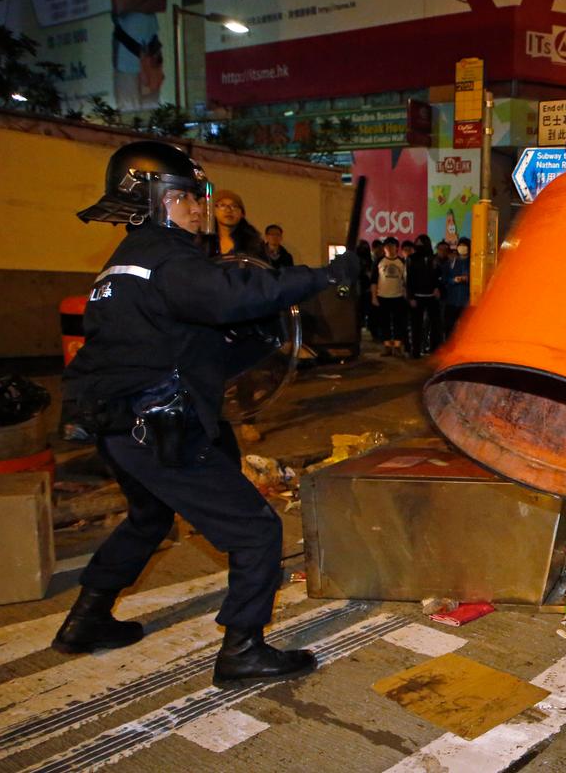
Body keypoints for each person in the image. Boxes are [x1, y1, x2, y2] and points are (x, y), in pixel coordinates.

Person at [54, 140, 361, 688]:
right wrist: (322, 276)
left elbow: (192, 349)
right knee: (255, 530)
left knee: (149, 517)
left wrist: (256, 339)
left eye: (202, 195)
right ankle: (242, 649)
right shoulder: (165, 259)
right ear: (149, 200)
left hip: (121, 424)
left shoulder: (125, 266)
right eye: (185, 196)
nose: (199, 206)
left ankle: (87, 620)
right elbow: (229, 296)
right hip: (156, 427)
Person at [107, 0, 165, 111]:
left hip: (151, 53)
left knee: (153, 116)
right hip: (126, 54)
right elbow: (120, 4)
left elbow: (161, 3)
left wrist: (129, 2)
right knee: (128, 116)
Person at [405, 235, 443, 358]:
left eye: (421, 243)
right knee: (416, 325)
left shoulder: (434, 258)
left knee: (435, 325)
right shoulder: (411, 258)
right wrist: (410, 297)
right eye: (417, 243)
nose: (419, 245)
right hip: (417, 296)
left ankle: (434, 349)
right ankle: (415, 351)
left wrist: (438, 288)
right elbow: (409, 279)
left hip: (432, 296)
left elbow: (438, 276)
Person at [371, 237, 408, 356]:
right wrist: (374, 296)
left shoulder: (402, 262)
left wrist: (406, 295)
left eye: (392, 246)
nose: (389, 248)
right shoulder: (379, 261)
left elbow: (406, 280)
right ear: (384, 248)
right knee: (384, 322)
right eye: (387, 246)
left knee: (399, 322)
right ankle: (387, 346)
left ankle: (397, 346)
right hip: (382, 296)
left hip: (398, 296)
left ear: (397, 247)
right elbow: (373, 281)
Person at [206, 190, 263, 258]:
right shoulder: (204, 241)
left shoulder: (255, 243)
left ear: (242, 214)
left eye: (234, 206)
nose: (228, 210)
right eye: (222, 205)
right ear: (214, 211)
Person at [441, 237, 471, 338]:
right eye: (460, 245)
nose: (462, 248)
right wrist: (454, 280)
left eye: (465, 246)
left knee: (466, 327)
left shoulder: (473, 262)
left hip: (466, 302)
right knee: (449, 326)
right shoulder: (451, 262)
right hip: (451, 300)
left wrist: (468, 279)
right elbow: (444, 279)